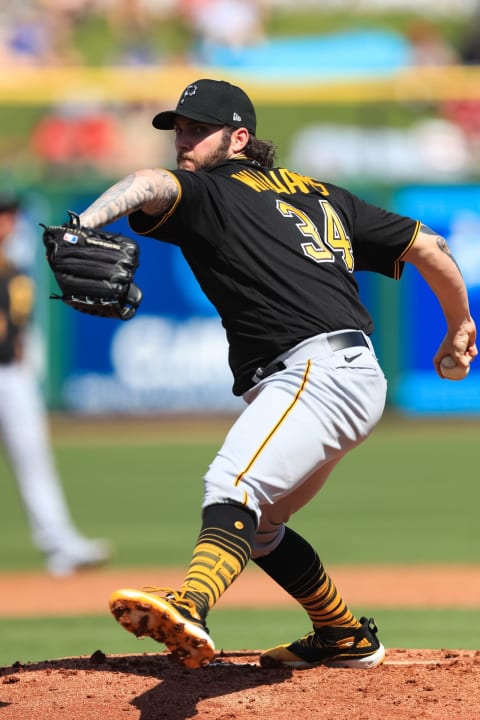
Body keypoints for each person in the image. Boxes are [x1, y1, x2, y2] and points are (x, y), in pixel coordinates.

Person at [72, 79, 476, 669]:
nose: (183, 140)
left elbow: (147, 184)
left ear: (239, 138)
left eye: (197, 129)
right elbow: (429, 245)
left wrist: (85, 222)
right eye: (178, 128)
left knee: (232, 485)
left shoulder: (210, 189)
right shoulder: (323, 194)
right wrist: (461, 324)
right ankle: (343, 635)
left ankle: (191, 603)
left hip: (316, 372)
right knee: (258, 527)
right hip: (348, 374)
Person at [0, 193, 112, 576]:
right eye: (4, 215)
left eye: (12, 215)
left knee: (34, 458)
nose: (9, 222)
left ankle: (60, 543)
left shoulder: (12, 265)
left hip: (12, 376)